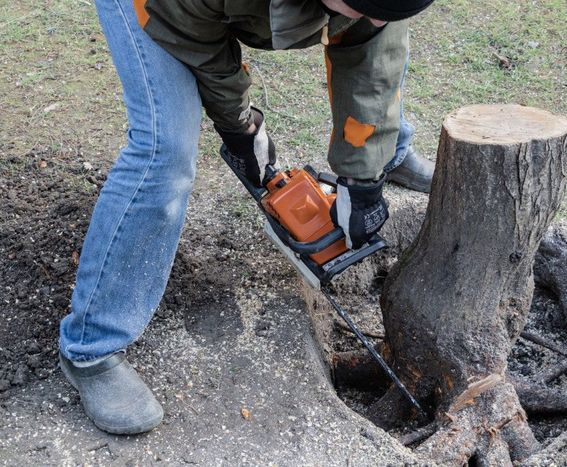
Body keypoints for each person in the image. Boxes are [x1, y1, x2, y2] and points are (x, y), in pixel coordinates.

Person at [58, 0, 435, 435]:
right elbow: (199, 43)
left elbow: (374, 51)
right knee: (165, 154)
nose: (377, 17)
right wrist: (240, 128)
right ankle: (91, 346)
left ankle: (392, 150)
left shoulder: (380, 7)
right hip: (162, 7)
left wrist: (363, 175)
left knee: (376, 39)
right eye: (363, 4)